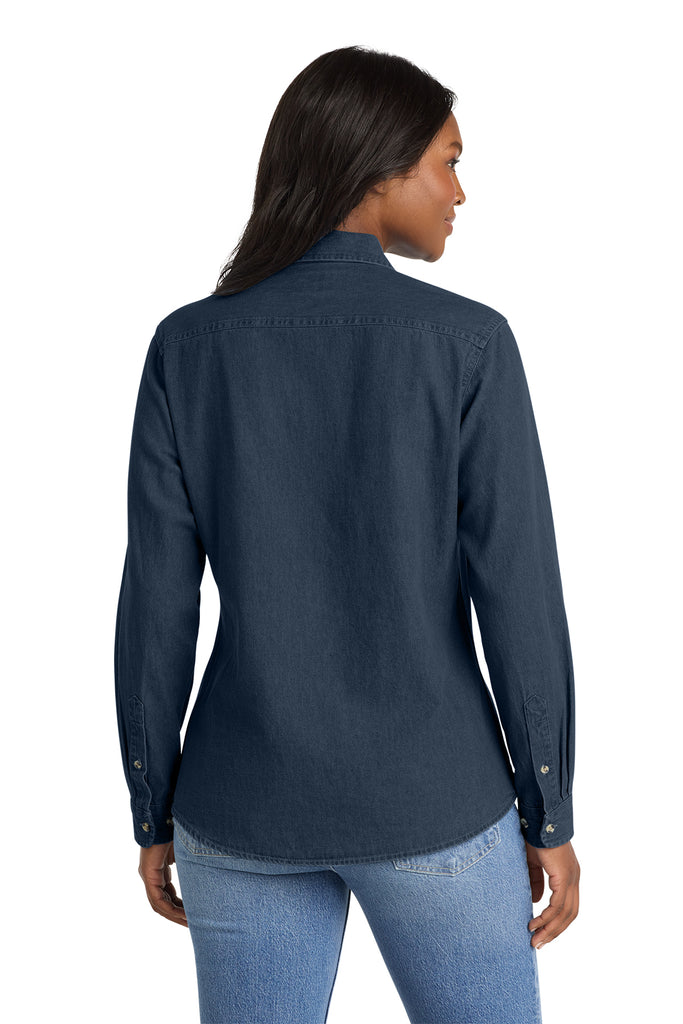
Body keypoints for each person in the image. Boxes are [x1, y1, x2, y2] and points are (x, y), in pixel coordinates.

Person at [114, 44, 580, 1024]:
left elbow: (156, 603)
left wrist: (152, 804)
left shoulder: (186, 346)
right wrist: (548, 806)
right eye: (448, 161)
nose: (460, 191)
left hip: (239, 804)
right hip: (433, 800)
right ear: (377, 168)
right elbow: (518, 596)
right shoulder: (468, 344)